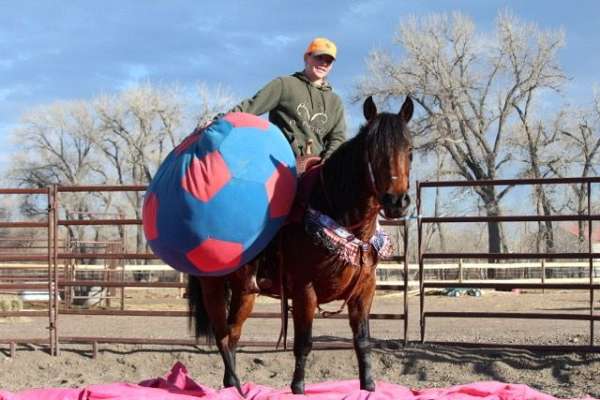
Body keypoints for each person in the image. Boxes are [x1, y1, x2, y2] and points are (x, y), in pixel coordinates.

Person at [229, 37, 346, 159]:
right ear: (307, 58)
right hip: (279, 162)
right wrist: (219, 121)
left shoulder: (335, 102)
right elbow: (250, 107)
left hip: (315, 169)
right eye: (319, 57)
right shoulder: (285, 84)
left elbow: (337, 138)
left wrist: (326, 163)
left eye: (329, 61)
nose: (323, 63)